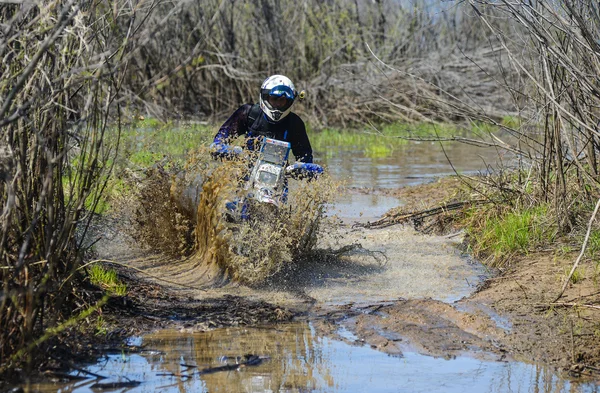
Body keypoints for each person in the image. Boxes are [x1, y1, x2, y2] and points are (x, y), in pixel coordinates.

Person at [211, 75, 314, 163]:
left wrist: (305, 167)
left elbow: (305, 156)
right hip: (245, 169)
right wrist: (223, 148)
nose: (278, 104)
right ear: (265, 97)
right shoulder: (248, 113)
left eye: (282, 101)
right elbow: (223, 136)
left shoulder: (295, 123)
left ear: (289, 102)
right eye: (274, 99)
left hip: (279, 176)